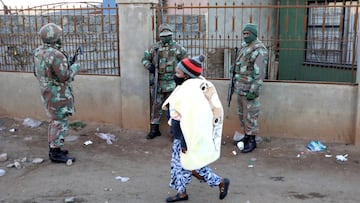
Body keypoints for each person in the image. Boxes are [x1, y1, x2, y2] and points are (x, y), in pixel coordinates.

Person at [162, 55, 230, 202]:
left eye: (178, 73)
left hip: (186, 137)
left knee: (191, 165)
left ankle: (219, 182)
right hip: (190, 135)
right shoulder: (197, 86)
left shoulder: (188, 92)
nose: (175, 75)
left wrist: (184, 142)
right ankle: (183, 192)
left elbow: (182, 119)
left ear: (187, 75)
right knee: (182, 165)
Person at [33, 23, 81, 164]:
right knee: (59, 122)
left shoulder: (38, 51)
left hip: (47, 92)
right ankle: (55, 153)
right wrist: (75, 67)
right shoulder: (56, 54)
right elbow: (64, 76)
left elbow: (37, 72)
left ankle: (55, 148)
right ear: (54, 37)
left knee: (55, 121)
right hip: (58, 94)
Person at [141, 23, 187, 139]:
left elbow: (186, 63)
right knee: (156, 106)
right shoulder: (154, 48)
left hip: (173, 83)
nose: (165, 38)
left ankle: (174, 132)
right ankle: (154, 129)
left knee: (173, 108)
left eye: (168, 35)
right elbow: (144, 59)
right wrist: (149, 66)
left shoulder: (178, 48)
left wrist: (182, 76)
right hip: (158, 82)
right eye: (163, 35)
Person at [232, 23, 268, 153]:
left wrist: (253, 91)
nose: (245, 36)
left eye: (248, 34)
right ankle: (247, 136)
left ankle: (252, 140)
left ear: (254, 34)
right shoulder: (244, 47)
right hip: (240, 87)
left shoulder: (259, 49)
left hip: (249, 89)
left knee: (251, 116)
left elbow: (259, 73)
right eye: (244, 33)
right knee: (242, 115)